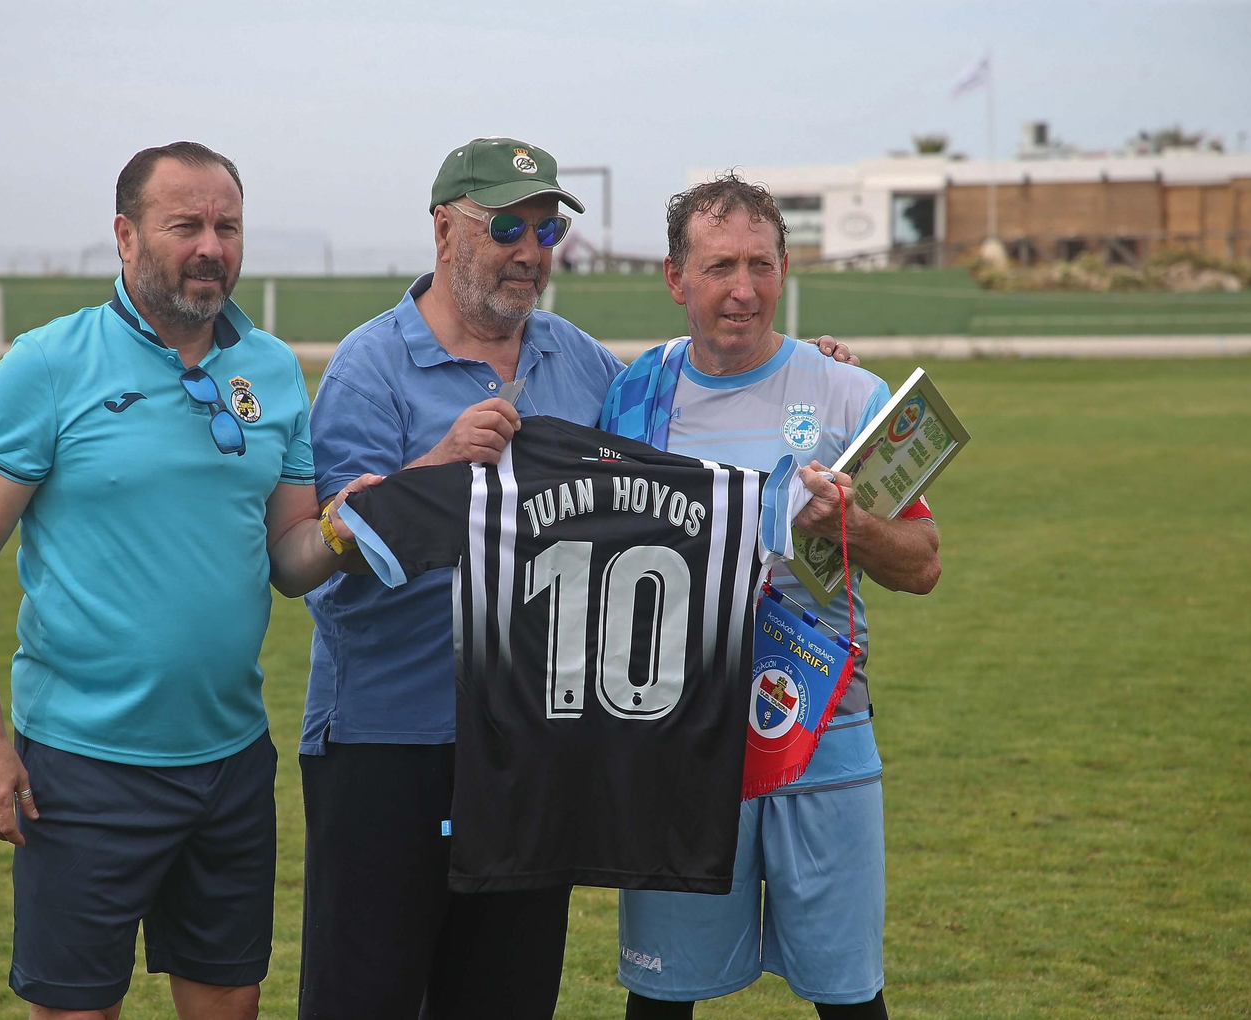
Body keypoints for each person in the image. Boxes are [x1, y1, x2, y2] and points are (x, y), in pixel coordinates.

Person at [297, 138, 859, 1020]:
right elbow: (326, 566)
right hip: (389, 744)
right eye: (506, 226)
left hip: (531, 744)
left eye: (547, 230)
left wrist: (812, 372)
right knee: (364, 997)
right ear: (444, 230)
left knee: (505, 1001)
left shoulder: (583, 367)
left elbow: (681, 454)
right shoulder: (371, 367)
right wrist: (439, 470)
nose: (529, 250)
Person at [0, 141, 375, 1020]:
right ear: (125, 235)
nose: (211, 245)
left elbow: (289, 561)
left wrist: (343, 529)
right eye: (186, 225)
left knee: (229, 1001)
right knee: (76, 1008)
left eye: (227, 225)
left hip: (230, 758)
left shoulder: (274, 372)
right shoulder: (49, 364)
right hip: (82, 766)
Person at [601, 175, 942, 1020]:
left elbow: (924, 564)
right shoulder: (633, 397)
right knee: (661, 999)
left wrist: (848, 523)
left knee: (850, 1000)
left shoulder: (849, 396)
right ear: (677, 279)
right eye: (719, 267)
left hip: (822, 736)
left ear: (786, 267)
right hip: (680, 746)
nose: (742, 290)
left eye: (761, 264)